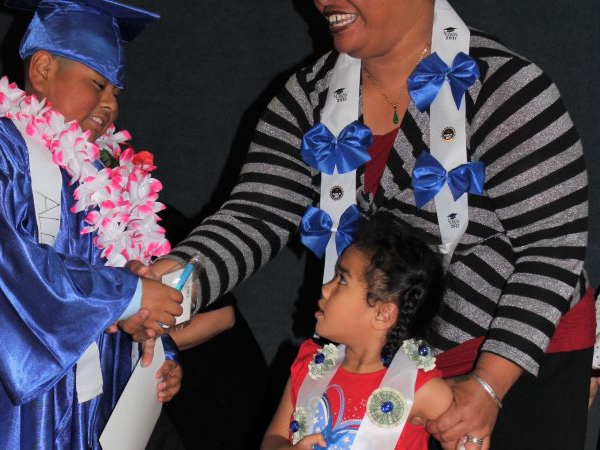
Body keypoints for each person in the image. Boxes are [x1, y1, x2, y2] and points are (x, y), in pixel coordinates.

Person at [138, 0, 594, 448]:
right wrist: (170, 283)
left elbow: (552, 250)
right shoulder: (307, 97)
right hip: (392, 355)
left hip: (512, 351)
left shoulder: (505, 87)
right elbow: (255, 214)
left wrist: (489, 384)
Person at [0, 1, 184, 448]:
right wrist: (129, 295)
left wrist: (151, 348)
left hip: (79, 405)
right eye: (97, 83)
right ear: (41, 69)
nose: (111, 103)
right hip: (1, 390)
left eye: (117, 91)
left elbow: (110, 293)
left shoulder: (100, 177)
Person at [262, 214, 453, 450]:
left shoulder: (422, 390)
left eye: (342, 280)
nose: (325, 288)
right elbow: (272, 440)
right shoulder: (309, 368)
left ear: (383, 314)